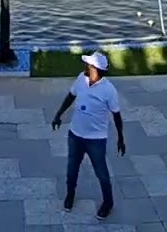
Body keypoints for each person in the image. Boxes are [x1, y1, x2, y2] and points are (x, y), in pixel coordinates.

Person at [51, 51, 125, 219]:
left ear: (95, 69)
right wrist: (58, 114)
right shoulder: (80, 79)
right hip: (75, 135)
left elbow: (117, 115)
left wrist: (121, 138)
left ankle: (108, 203)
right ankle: (70, 195)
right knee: (71, 170)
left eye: (88, 64)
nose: (85, 66)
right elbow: (71, 96)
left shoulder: (109, 90)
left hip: (96, 140)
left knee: (101, 173)